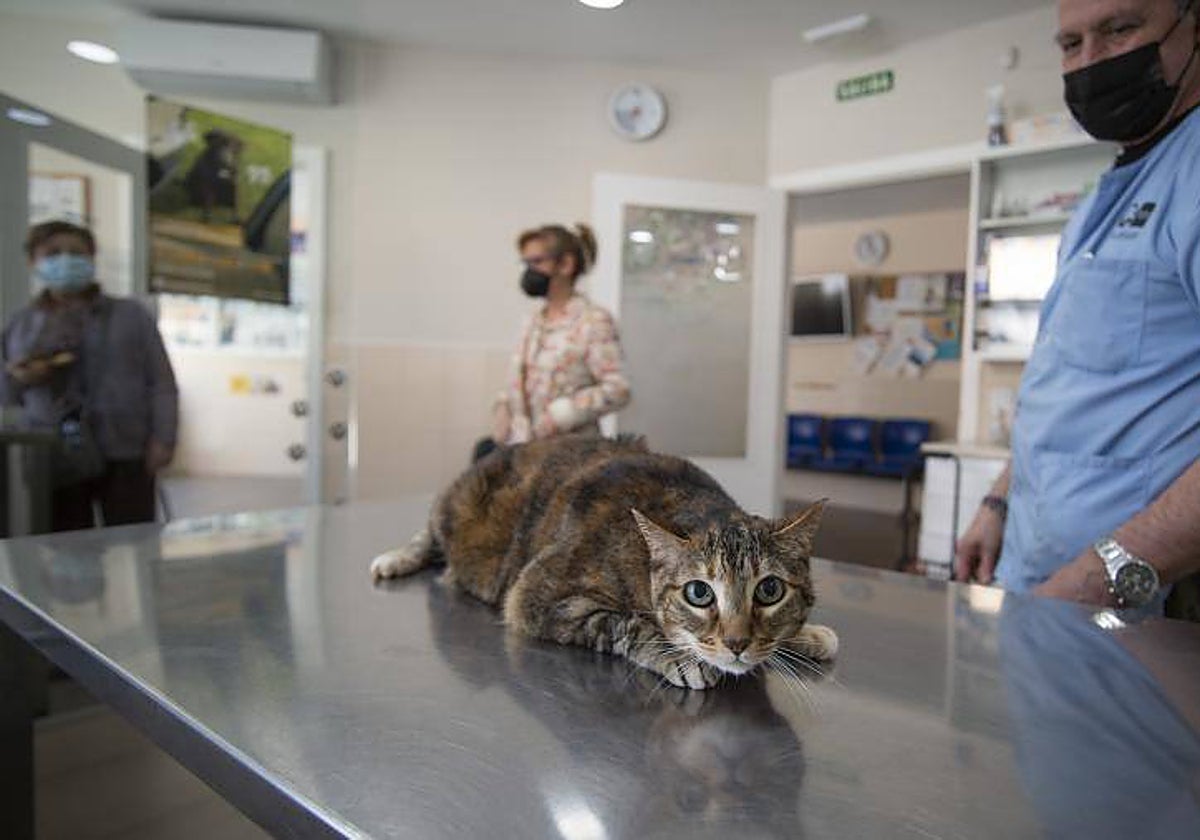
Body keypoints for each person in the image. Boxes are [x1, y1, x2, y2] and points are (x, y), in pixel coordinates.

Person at [955, 0, 1200, 613]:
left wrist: (1098, 579)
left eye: (1120, 28)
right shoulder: (1102, 201)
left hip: (1129, 607)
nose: (1091, 62)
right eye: (1070, 44)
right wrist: (1000, 502)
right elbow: (1072, 385)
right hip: (1044, 582)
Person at [1, 221, 178, 531]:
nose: (66, 260)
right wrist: (20, 377)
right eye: (53, 253)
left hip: (125, 450)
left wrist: (163, 439)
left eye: (76, 252)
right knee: (63, 552)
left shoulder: (130, 315)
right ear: (33, 262)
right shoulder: (22, 323)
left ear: (92, 259)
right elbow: (7, 395)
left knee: (132, 544)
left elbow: (161, 382)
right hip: (53, 453)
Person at [481, 223, 630, 458]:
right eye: (526, 263)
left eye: (537, 262)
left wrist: (560, 415)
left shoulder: (593, 321)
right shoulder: (532, 321)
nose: (529, 271)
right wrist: (503, 406)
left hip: (572, 457)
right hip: (525, 452)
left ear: (566, 265)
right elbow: (520, 379)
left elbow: (618, 389)